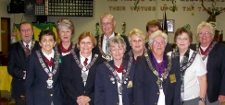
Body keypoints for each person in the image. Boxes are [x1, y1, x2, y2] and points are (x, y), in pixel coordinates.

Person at [134, 30, 180, 105]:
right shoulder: (142, 62)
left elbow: (176, 90)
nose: (159, 45)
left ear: (165, 45)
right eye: (155, 42)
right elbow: (138, 89)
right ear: (150, 46)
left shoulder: (173, 63)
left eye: (162, 42)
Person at [61, 32, 105, 105]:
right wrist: (79, 99)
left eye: (88, 43)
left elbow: (102, 84)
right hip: (72, 101)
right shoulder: (67, 60)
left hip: (92, 102)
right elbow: (65, 81)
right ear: (78, 45)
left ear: (93, 45)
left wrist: (89, 98)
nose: (85, 46)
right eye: (83, 42)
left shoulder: (101, 62)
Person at [190, 21, 225, 105]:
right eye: (201, 33)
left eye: (206, 33)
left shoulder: (221, 49)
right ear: (198, 35)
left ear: (212, 35)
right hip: (194, 92)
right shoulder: (192, 49)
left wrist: (223, 92)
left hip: (213, 93)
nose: (203, 36)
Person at [25, 30, 62, 105]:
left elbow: (61, 81)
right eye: (44, 40)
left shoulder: (60, 58)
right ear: (40, 43)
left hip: (57, 99)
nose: (48, 43)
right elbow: (29, 83)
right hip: (39, 100)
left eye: (50, 40)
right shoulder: (33, 58)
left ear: (55, 43)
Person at [95, 36, 135, 105]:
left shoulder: (132, 67)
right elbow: (99, 95)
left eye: (120, 49)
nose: (117, 52)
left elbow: (136, 93)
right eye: (114, 49)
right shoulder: (102, 69)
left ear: (124, 50)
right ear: (110, 51)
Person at [7, 22, 40, 105]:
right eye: (23, 30)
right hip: (20, 87)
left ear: (32, 32)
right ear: (20, 33)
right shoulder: (13, 47)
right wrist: (23, 74)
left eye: (28, 30)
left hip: (37, 87)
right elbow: (10, 67)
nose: (26, 33)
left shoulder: (40, 46)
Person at [171, 27, 207, 105]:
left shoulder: (196, 57)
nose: (182, 41)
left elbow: (203, 79)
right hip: (173, 99)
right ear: (175, 41)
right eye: (179, 38)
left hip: (192, 100)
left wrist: (202, 99)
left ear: (189, 42)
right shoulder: (169, 56)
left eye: (185, 39)